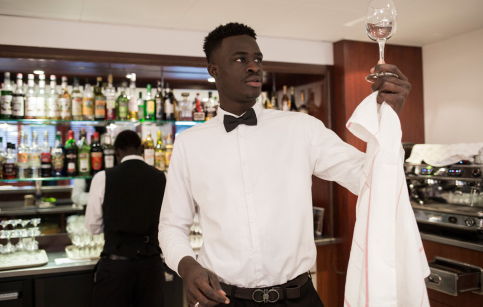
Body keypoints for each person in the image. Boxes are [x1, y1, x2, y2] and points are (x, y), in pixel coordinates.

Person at [159, 22, 411, 307]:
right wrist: (186, 266)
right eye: (241, 59)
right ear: (214, 71)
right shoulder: (190, 143)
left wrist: (389, 120)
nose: (254, 66)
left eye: (258, 59)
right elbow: (171, 225)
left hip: (298, 298)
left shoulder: (302, 128)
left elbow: (370, 179)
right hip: (222, 299)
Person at [85, 129, 167, 307]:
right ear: (141, 149)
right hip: (151, 267)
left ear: (117, 152)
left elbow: (92, 226)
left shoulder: (103, 178)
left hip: (116, 267)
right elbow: (169, 220)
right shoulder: (161, 177)